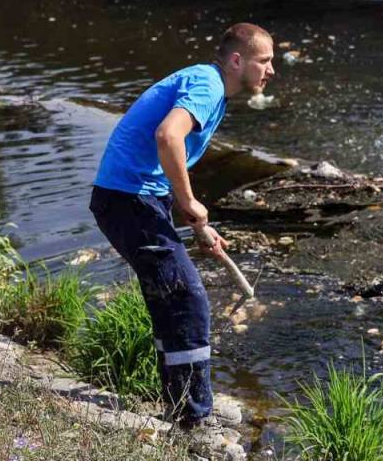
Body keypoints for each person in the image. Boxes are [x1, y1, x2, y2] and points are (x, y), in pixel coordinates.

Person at [89, 22, 275, 432]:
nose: (271, 70)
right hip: (126, 199)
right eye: (265, 60)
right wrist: (189, 200)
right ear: (237, 60)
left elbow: (160, 165)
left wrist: (194, 224)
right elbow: (168, 136)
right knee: (188, 301)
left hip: (133, 198)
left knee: (170, 301)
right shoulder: (208, 84)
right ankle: (195, 421)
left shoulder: (210, 88)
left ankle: (180, 409)